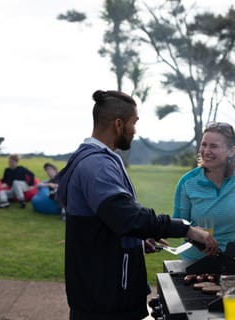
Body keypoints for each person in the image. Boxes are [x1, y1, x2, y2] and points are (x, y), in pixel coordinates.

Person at [56, 89, 218, 320]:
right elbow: (129, 217)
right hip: (105, 302)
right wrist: (186, 229)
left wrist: (135, 242)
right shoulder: (97, 166)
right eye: (134, 122)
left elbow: (104, 223)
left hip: (100, 293)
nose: (135, 130)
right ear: (119, 124)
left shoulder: (93, 159)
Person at [172, 122, 235, 260]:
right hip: (194, 262)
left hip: (233, 260)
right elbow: (177, 225)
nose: (206, 151)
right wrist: (194, 233)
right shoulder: (187, 182)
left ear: (231, 151)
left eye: (213, 146)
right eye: (204, 145)